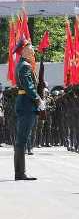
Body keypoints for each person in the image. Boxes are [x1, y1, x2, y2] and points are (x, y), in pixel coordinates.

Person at [12, 38, 42, 180]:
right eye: (30, 47)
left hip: (24, 103)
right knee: (22, 140)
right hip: (26, 104)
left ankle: (20, 172)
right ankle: (20, 173)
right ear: (23, 50)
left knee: (21, 139)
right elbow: (28, 86)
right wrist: (38, 100)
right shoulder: (25, 66)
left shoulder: (23, 64)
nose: (33, 50)